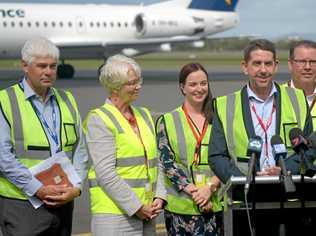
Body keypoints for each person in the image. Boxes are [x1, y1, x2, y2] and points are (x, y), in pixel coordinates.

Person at [208, 39, 314, 236]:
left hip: (289, 195)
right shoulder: (224, 105)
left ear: (276, 66)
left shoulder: (298, 99)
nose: (263, 70)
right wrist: (245, 179)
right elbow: (216, 156)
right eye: (257, 63)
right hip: (246, 199)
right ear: (245, 67)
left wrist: (285, 169)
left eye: (268, 63)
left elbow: (309, 147)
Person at [0, 37, 88, 236]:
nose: (48, 72)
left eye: (53, 66)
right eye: (41, 66)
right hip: (22, 203)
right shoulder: (5, 101)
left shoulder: (67, 99)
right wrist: (37, 189)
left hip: (64, 200)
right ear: (25, 66)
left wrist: (77, 188)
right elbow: (4, 158)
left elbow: (80, 150)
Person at [84, 54, 165, 236]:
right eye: (131, 83)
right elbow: (105, 173)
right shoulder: (99, 119)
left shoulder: (144, 115)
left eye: (139, 80)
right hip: (115, 215)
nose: (138, 86)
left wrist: (159, 196)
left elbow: (155, 161)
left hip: (148, 211)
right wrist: (136, 206)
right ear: (114, 87)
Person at [156, 62, 223, 236]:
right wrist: (197, 194)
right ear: (182, 87)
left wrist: (209, 188)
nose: (199, 89)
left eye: (203, 83)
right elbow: (167, 163)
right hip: (181, 211)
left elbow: (228, 157)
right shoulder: (168, 120)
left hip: (215, 205)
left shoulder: (219, 118)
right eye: (192, 84)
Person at [286, 40, 316, 128]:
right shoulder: (275, 96)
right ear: (290, 64)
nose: (307, 67)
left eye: (313, 62)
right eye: (302, 61)